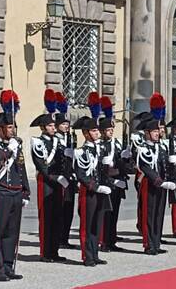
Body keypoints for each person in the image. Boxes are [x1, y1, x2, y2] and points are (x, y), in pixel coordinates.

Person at [0, 90, 29, 281]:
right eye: (9, 127)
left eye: (13, 127)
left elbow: (21, 168)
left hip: (15, 193)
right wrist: (7, 152)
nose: (12, 131)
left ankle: (9, 266)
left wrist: (25, 191)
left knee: (12, 232)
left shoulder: (16, 144)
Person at [73, 93, 113, 267]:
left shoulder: (101, 149)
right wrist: (96, 187)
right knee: (87, 225)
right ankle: (87, 255)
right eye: (95, 131)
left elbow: (103, 171)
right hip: (88, 192)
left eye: (98, 130)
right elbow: (81, 175)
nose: (98, 133)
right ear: (86, 134)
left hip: (101, 190)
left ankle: (95, 253)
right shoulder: (81, 152)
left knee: (97, 223)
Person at [30, 90, 66, 263]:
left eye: (54, 125)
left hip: (59, 182)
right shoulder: (37, 142)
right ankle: (45, 252)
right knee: (46, 217)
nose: (54, 127)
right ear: (43, 127)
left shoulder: (59, 141)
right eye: (51, 126)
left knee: (58, 215)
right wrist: (55, 177)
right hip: (46, 181)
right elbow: (42, 165)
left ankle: (55, 251)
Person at [134, 118, 176, 255]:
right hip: (150, 184)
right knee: (149, 214)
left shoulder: (162, 147)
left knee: (159, 214)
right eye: (154, 131)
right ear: (147, 133)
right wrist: (159, 181)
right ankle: (148, 244)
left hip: (162, 185)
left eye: (158, 131)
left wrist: (171, 165)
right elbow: (145, 167)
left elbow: (164, 167)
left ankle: (156, 243)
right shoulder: (143, 149)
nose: (157, 133)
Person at [98, 97, 132, 252]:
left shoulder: (116, 143)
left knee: (115, 212)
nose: (111, 132)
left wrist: (125, 158)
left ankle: (112, 240)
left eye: (112, 130)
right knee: (105, 213)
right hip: (106, 181)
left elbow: (122, 163)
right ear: (102, 131)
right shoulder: (99, 145)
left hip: (117, 180)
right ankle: (103, 241)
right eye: (108, 130)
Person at [53, 93, 77, 249]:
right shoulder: (55, 140)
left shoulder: (70, 138)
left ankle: (65, 237)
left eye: (67, 124)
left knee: (69, 209)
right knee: (59, 211)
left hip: (71, 178)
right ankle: (58, 238)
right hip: (60, 178)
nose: (66, 126)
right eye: (63, 124)